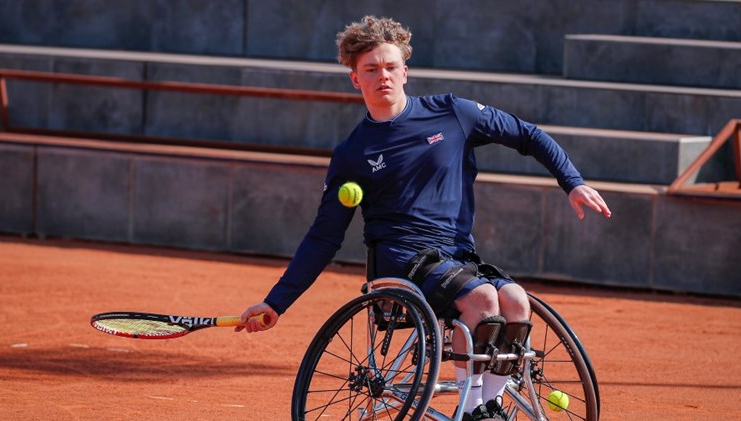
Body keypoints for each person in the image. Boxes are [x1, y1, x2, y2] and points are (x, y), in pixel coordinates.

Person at [239, 15, 611, 421]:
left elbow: (528, 135)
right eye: (371, 70)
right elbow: (324, 238)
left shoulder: (452, 113)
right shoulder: (352, 153)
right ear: (355, 79)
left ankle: (491, 403)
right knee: (484, 299)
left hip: (457, 256)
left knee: (516, 300)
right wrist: (278, 301)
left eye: (391, 67)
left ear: (405, 72)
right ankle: (472, 411)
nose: (383, 76)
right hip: (400, 263)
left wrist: (571, 182)